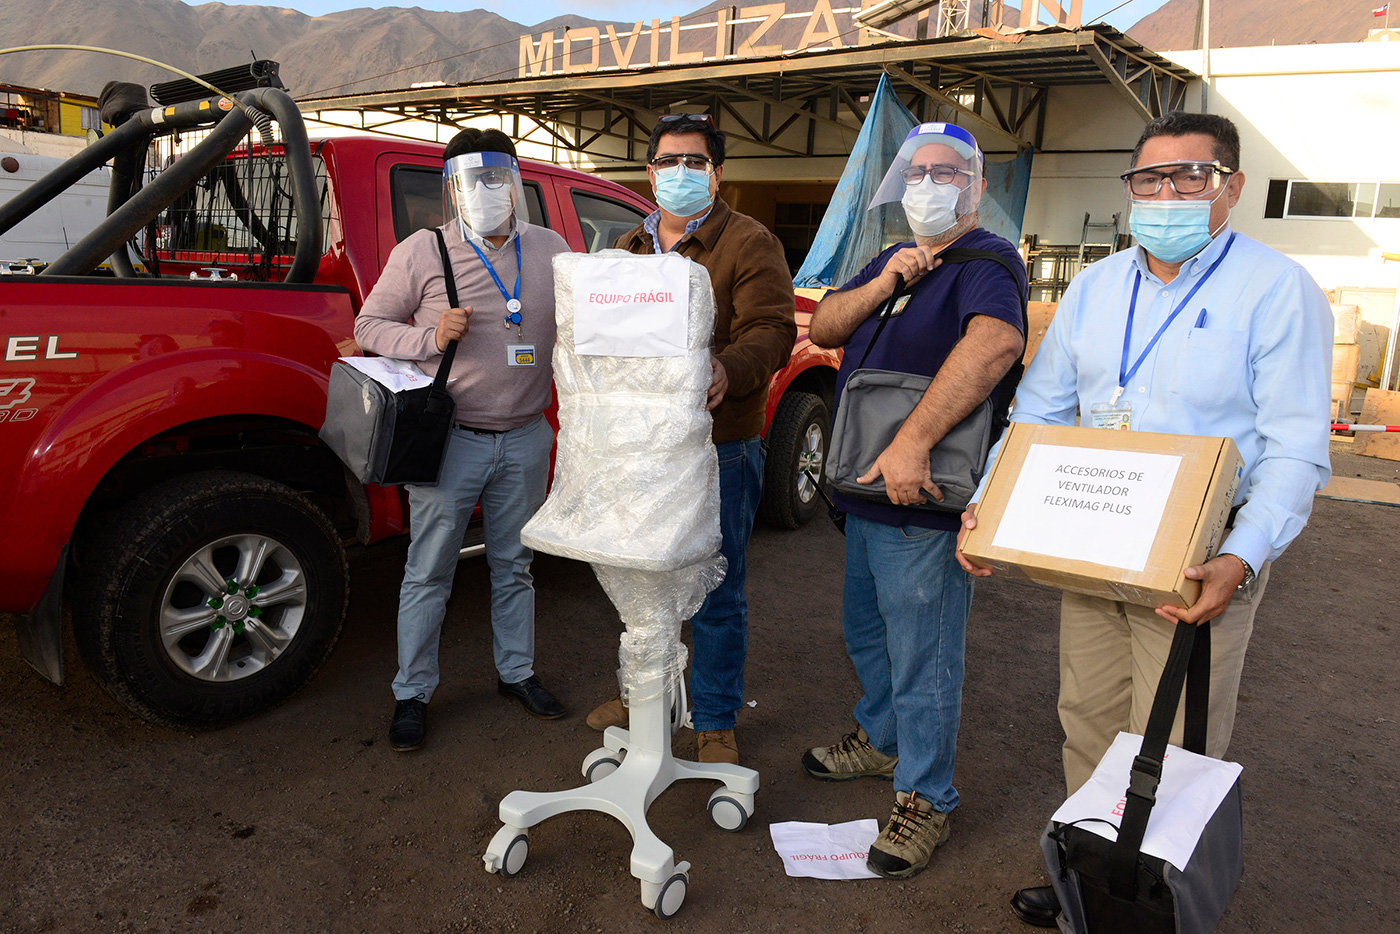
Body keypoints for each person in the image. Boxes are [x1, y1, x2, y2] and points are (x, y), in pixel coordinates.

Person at [954, 111, 1332, 927]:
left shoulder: (1275, 290)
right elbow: (1041, 412)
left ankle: (1149, 902)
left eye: (1189, 176)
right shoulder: (1094, 288)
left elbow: (1298, 446)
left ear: (1230, 187)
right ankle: (1087, 880)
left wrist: (1243, 555)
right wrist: (992, 502)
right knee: (1087, 723)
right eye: (1149, 179)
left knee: (1172, 746)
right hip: (1095, 543)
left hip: (1197, 557)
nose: (1167, 194)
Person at [802, 122, 1026, 879]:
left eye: (947, 173)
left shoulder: (988, 263)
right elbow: (826, 323)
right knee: (868, 633)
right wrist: (884, 280)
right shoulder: (894, 261)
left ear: (976, 186)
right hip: (865, 496)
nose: (929, 185)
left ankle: (927, 796)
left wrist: (915, 438)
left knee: (925, 652)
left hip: (917, 494)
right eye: (918, 172)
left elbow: (995, 345)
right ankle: (881, 737)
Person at [585, 113, 797, 765]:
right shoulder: (628, 249)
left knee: (714, 587)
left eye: (694, 163)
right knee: (645, 578)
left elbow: (772, 329)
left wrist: (726, 369)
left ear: (716, 173)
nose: (680, 174)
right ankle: (642, 692)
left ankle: (713, 717)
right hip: (643, 446)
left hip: (717, 447)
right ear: (649, 173)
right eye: (668, 162)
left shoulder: (749, 242)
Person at [355, 128, 572, 752]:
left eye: (499, 178)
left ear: (515, 182)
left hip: (527, 437)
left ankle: (517, 674)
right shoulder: (423, 251)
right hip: (452, 440)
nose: (490, 191)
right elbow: (368, 325)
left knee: (516, 566)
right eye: (475, 181)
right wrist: (429, 339)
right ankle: (412, 693)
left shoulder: (549, 247)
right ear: (454, 189)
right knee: (429, 571)